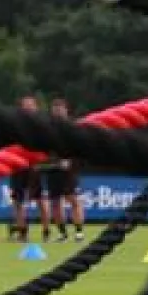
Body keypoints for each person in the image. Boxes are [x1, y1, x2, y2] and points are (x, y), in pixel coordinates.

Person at [6, 95, 49, 243]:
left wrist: (40, 161)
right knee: (18, 201)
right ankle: (22, 232)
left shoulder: (41, 125)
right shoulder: (15, 125)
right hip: (17, 165)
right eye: (25, 105)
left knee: (39, 199)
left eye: (31, 105)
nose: (28, 108)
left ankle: (46, 231)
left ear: (36, 107)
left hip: (33, 166)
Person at [45, 98, 84, 242]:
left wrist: (70, 160)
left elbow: (79, 146)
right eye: (55, 110)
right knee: (55, 202)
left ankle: (79, 232)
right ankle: (63, 234)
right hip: (52, 169)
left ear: (66, 111)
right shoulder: (47, 128)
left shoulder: (72, 126)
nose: (57, 112)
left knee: (73, 199)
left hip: (68, 170)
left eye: (60, 109)